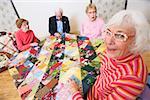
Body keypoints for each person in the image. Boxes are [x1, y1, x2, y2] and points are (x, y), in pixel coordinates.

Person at [68, 10, 150, 99]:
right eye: (108, 32)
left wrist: (75, 93)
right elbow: (103, 60)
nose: (109, 41)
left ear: (136, 41)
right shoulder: (116, 53)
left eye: (120, 35)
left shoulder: (132, 79)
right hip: (92, 88)